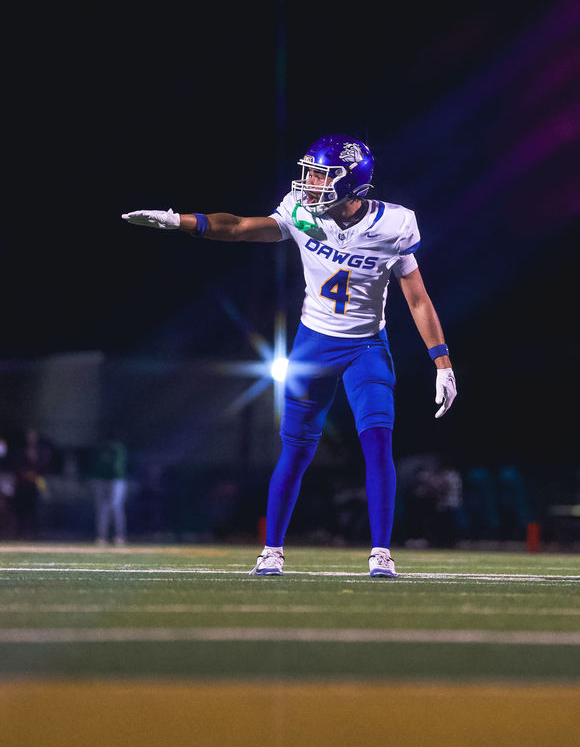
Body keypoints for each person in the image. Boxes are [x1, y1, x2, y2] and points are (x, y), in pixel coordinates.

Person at [122, 133, 457, 577]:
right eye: (311, 173)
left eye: (322, 175)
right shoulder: (300, 211)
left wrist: (442, 362)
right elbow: (239, 227)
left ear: (351, 182)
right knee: (295, 451)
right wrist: (179, 221)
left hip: (366, 348)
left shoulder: (394, 225)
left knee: (378, 442)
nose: (310, 183)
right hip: (313, 344)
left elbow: (417, 299)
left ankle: (381, 553)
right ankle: (272, 549)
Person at [91, 434, 129, 546]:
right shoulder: (99, 448)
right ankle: (101, 536)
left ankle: (120, 536)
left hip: (116, 480)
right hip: (101, 479)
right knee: (102, 508)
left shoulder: (118, 448)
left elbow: (118, 467)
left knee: (115, 507)